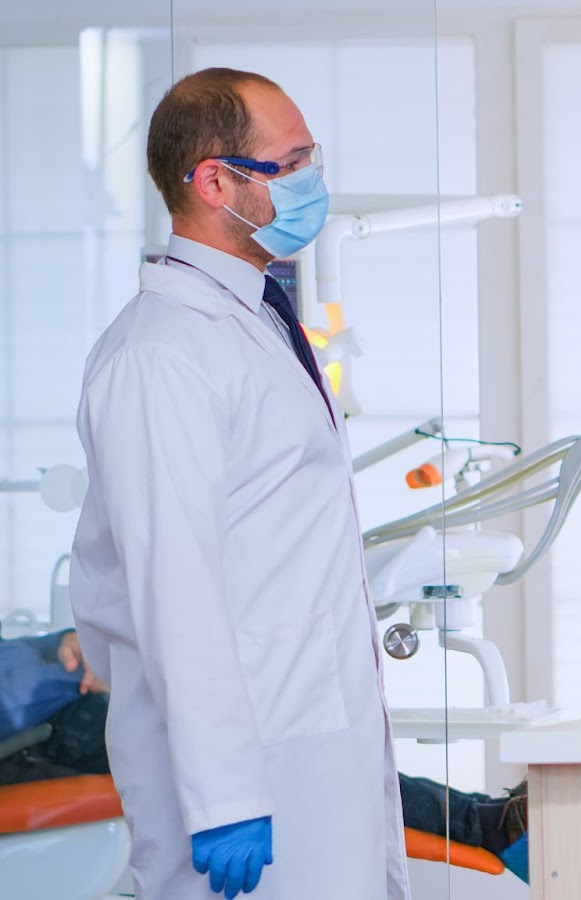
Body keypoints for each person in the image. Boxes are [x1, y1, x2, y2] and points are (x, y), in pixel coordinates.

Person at [70, 67, 407, 899]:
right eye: (290, 164)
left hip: (312, 744)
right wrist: (223, 795)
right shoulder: (161, 355)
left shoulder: (252, 318)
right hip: (243, 779)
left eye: (312, 159)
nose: (312, 184)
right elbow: (171, 583)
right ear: (215, 182)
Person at [0, 633, 527, 879]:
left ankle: (478, 819)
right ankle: (482, 825)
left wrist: (65, 642)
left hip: (65, 704)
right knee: (262, 746)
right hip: (36, 738)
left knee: (278, 736)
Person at [0, 627, 109, 784]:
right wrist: (85, 676)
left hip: (60, 702)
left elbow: (13, 648)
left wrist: (63, 641)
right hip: (36, 734)